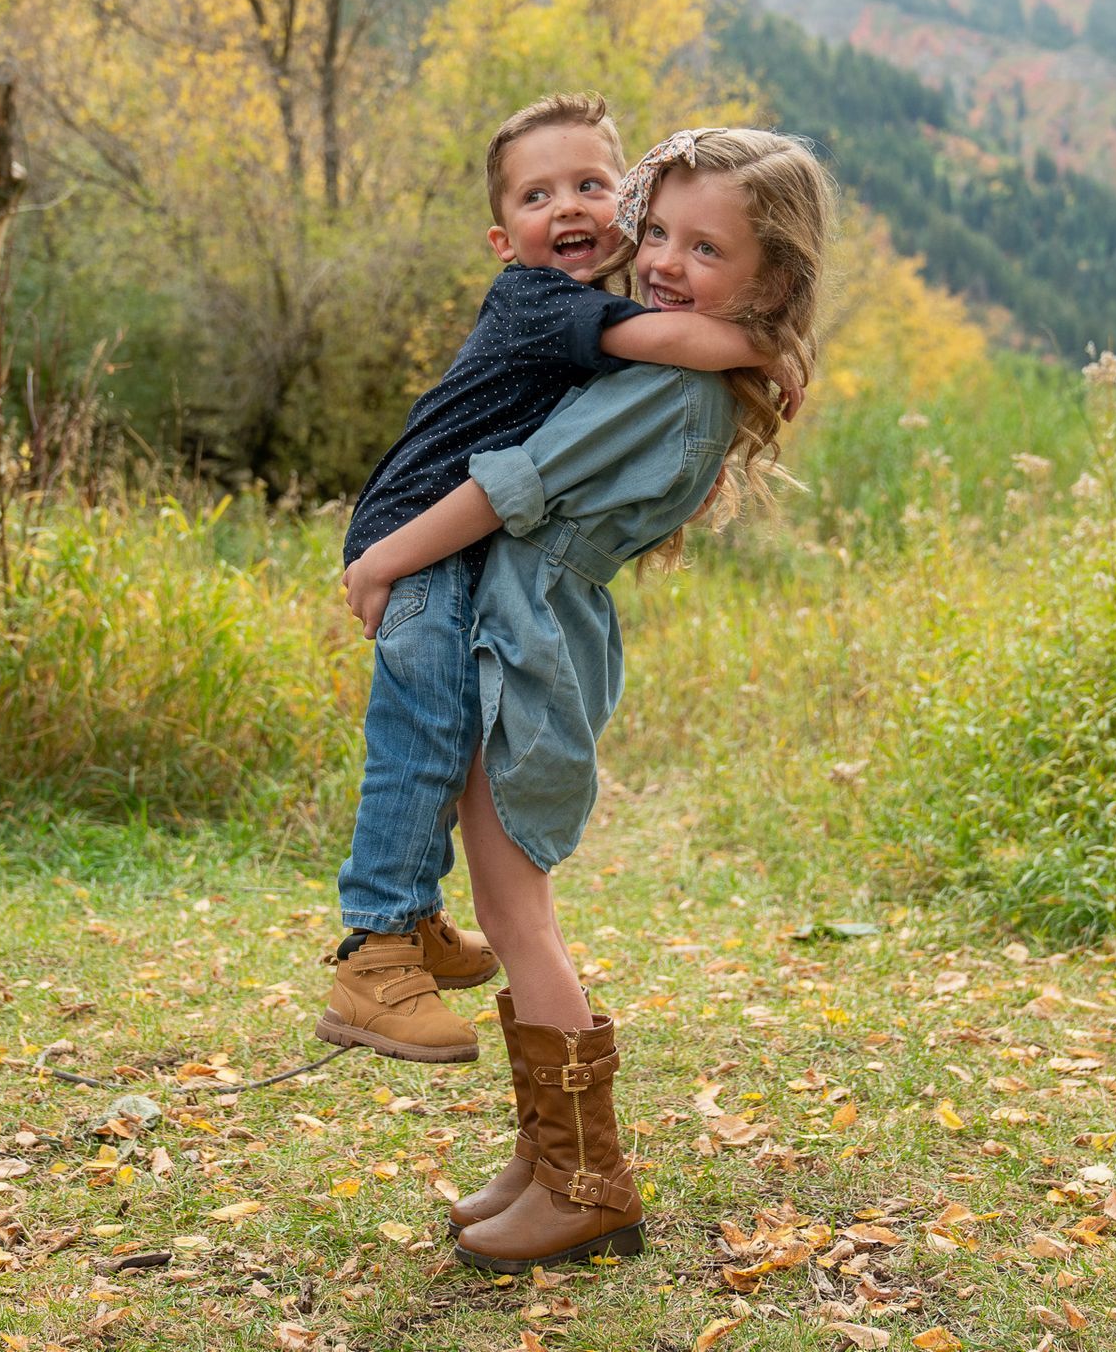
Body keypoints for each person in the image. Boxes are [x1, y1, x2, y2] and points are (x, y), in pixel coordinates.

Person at [341, 128, 834, 1272]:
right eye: (655, 230)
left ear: (771, 277)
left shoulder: (676, 379)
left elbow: (509, 488)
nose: (662, 260)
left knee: (519, 917)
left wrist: (381, 561)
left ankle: (585, 1180)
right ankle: (544, 1155)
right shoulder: (685, 358)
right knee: (515, 910)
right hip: (527, 630)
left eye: (705, 249)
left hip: (531, 646)